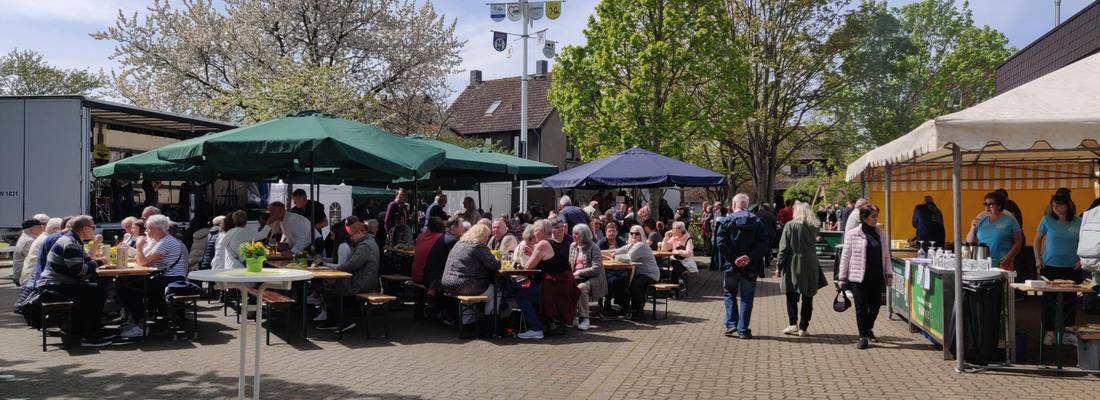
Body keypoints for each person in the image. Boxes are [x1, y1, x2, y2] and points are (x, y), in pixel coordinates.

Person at [37, 215, 113, 347]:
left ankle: (93, 330)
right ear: (85, 228)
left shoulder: (74, 240)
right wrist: (100, 262)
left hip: (58, 284)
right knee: (97, 293)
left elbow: (86, 261)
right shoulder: (70, 242)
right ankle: (89, 335)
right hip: (54, 286)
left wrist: (99, 263)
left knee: (98, 288)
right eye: (93, 227)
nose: (95, 230)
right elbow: (79, 271)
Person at [837, 204, 893, 349]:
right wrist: (842, 277)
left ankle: (868, 328)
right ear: (864, 218)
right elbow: (845, 256)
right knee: (861, 308)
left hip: (876, 276)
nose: (876, 219)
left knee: (875, 306)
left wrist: (888, 273)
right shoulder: (853, 234)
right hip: (858, 277)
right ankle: (863, 337)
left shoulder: (879, 233)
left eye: (876, 216)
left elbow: (886, 255)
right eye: (873, 216)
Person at [715, 193, 769, 339]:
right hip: (751, 267)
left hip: (731, 267)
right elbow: (764, 245)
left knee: (729, 293)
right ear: (747, 205)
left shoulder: (726, 221)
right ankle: (743, 329)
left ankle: (732, 324)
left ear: (733, 205)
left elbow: (721, 243)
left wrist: (734, 259)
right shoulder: (758, 222)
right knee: (747, 297)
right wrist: (749, 257)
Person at [1034, 194, 1083, 346]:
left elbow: (1086, 242)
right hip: (1050, 267)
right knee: (1049, 301)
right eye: (1053, 204)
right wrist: (1037, 258)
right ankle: (1050, 332)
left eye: (1059, 204)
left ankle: (1067, 332)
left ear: (1067, 205)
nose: (1055, 207)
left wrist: (1082, 260)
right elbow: (1037, 240)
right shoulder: (1047, 220)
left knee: (1070, 301)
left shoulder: (1079, 222)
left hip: (1071, 267)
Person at [313, 221, 379, 333]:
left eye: (352, 235)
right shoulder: (368, 242)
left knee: (329, 287)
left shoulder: (365, 246)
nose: (351, 238)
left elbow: (351, 265)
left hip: (361, 282)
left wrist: (334, 269)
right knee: (329, 287)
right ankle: (335, 321)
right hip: (364, 280)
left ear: (360, 232)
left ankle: (342, 322)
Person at [518, 219, 579, 338]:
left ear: (540, 232)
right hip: (565, 287)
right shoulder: (552, 242)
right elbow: (547, 262)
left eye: (535, 231)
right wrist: (532, 253)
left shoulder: (543, 244)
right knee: (528, 289)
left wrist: (524, 261)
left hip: (557, 289)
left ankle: (536, 329)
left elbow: (528, 267)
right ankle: (544, 323)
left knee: (522, 294)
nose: (533, 234)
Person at [130, 215, 189, 335]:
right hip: (168, 277)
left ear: (159, 229)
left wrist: (139, 245)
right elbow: (143, 261)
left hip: (172, 279)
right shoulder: (162, 241)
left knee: (130, 288)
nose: (146, 231)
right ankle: (135, 321)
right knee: (130, 284)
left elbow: (142, 262)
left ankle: (139, 325)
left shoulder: (166, 242)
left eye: (149, 228)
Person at [777, 202, 827, 337]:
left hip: (794, 263)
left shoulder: (790, 226)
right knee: (808, 296)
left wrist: (779, 265)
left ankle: (793, 324)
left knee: (791, 294)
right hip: (811, 263)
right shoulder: (814, 226)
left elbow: (783, 248)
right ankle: (803, 328)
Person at [442, 224, 502, 327]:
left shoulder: (459, 244)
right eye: (487, 236)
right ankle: (490, 324)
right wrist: (498, 259)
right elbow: (494, 265)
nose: (488, 238)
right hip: (465, 285)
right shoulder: (479, 246)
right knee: (497, 291)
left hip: (448, 284)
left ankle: (467, 324)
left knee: (470, 290)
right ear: (482, 236)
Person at [612, 225, 660, 320]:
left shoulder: (640, 245)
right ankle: (624, 308)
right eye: (632, 233)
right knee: (619, 282)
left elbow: (627, 259)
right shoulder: (631, 245)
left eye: (637, 233)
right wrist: (600, 252)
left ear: (641, 234)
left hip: (650, 274)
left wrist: (613, 257)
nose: (634, 235)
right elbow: (615, 251)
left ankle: (638, 310)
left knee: (634, 286)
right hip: (639, 274)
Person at [967, 192, 1023, 270]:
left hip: (1002, 263)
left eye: (990, 205)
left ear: (999, 205)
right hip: (982, 264)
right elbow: (969, 242)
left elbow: (1018, 242)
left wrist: (1009, 257)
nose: (987, 208)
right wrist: (972, 228)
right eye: (985, 204)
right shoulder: (981, 220)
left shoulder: (1010, 220)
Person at [569, 223, 607, 331]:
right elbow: (570, 264)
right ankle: (572, 317)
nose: (574, 236)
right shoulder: (572, 246)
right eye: (573, 233)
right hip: (575, 276)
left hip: (594, 278)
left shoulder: (594, 247)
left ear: (584, 235)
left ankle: (585, 319)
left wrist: (580, 272)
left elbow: (596, 268)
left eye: (577, 234)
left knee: (581, 288)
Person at [424, 217, 467, 298]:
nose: (463, 229)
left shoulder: (444, 237)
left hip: (430, 275)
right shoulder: (453, 241)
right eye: (461, 227)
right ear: (453, 227)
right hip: (437, 279)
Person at [661, 221, 699, 296]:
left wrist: (678, 251)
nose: (672, 230)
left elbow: (688, 253)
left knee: (675, 266)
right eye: (672, 229)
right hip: (676, 261)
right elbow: (664, 248)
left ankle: (673, 289)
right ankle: (679, 283)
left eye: (674, 229)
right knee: (674, 264)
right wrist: (666, 237)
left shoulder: (688, 238)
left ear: (680, 229)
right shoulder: (674, 237)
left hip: (685, 261)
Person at [21, 217, 63, 286]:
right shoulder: (50, 239)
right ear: (56, 229)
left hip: (29, 276)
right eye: (62, 230)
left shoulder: (43, 236)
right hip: (34, 279)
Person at [13, 216, 47, 287]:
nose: (42, 229)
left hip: (19, 274)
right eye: (40, 227)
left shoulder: (24, 237)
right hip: (24, 276)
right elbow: (35, 259)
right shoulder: (30, 241)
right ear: (33, 229)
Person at [412, 217, 445, 284]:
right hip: (427, 279)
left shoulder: (420, 236)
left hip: (415, 275)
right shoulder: (441, 238)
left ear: (429, 227)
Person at [755, 203, 778, 277]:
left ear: (762, 207)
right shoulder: (772, 215)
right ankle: (767, 262)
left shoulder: (757, 214)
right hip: (770, 234)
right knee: (768, 249)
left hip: (760, 234)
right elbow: (775, 225)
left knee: (760, 248)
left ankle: (760, 262)